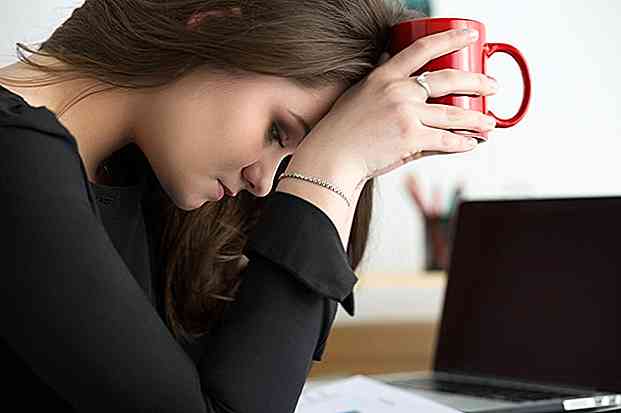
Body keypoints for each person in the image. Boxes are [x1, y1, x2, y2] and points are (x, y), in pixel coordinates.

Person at [0, 0, 498, 411]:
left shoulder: (127, 178)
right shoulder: (13, 155)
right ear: (213, 25)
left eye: (287, 159)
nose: (263, 183)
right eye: (277, 131)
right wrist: (331, 171)